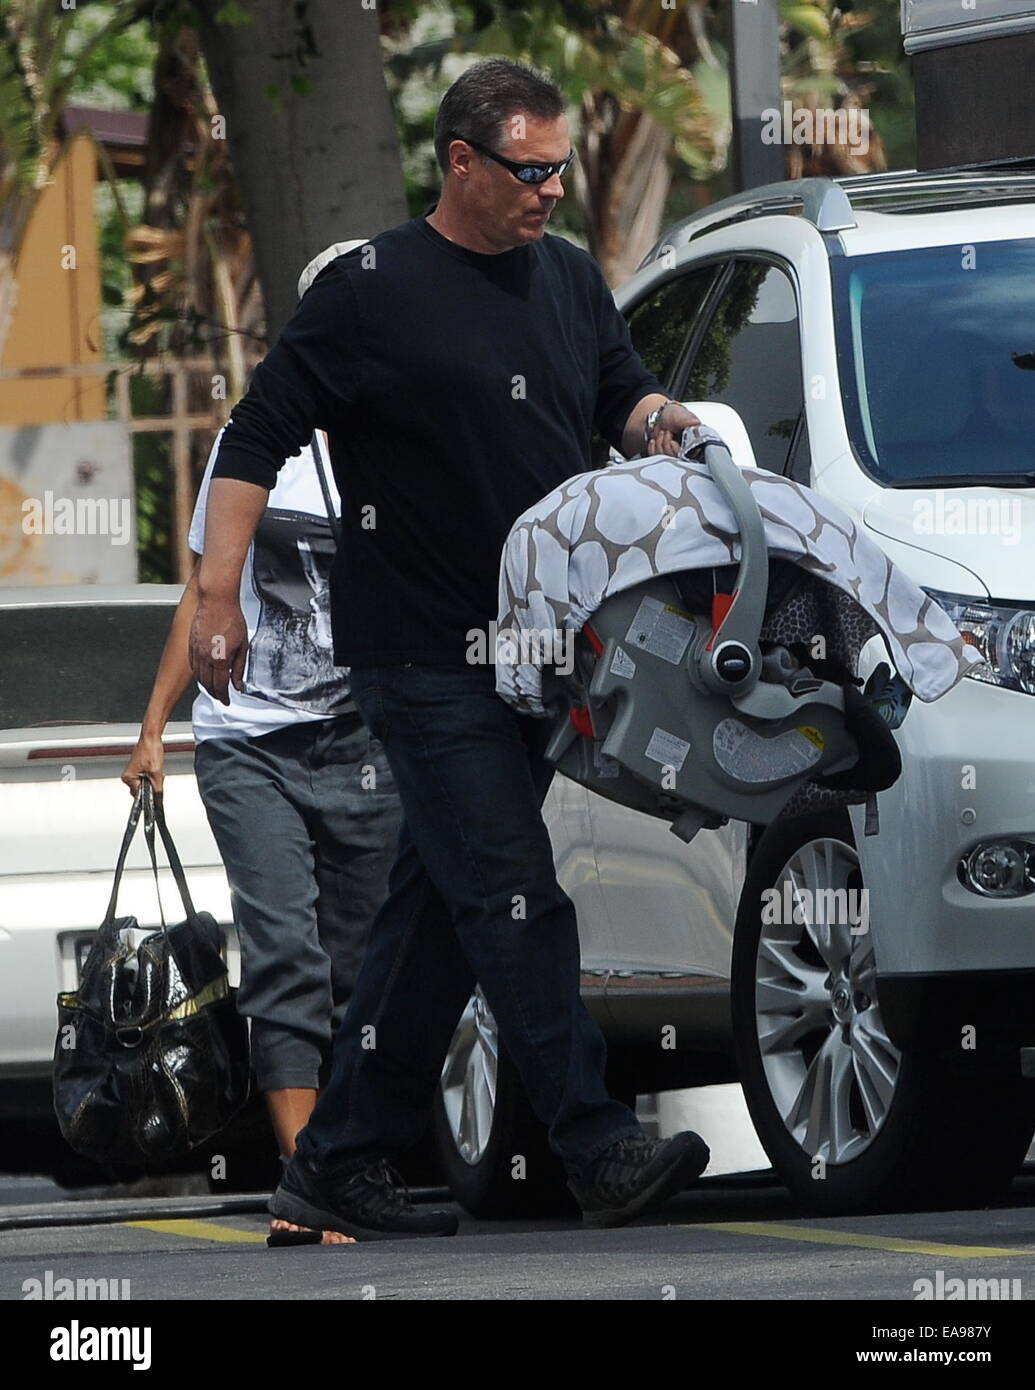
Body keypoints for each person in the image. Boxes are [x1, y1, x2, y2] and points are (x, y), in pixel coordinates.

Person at [189, 58, 710, 1241]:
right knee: (517, 893)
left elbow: (618, 395)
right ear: (461, 162)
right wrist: (219, 592)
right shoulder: (372, 290)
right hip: (421, 658)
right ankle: (594, 1140)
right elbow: (255, 434)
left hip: (539, 650)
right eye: (528, 169)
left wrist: (663, 424)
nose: (552, 189)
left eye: (562, 166)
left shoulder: (570, 279)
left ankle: (337, 1159)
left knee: (436, 911)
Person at [123, 244, 402, 1245]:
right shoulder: (254, 441)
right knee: (285, 949)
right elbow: (204, 600)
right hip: (250, 738)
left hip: (359, 730)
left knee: (367, 957)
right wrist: (156, 729)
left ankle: (350, 1164)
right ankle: (305, 1182)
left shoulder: (403, 438)